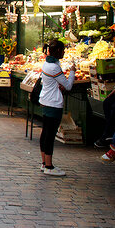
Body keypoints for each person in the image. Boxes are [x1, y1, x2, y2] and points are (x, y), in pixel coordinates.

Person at [38, 38, 75, 176]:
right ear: (58, 51)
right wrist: (72, 72)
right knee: (50, 134)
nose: (64, 52)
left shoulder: (47, 64)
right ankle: (49, 166)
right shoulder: (54, 67)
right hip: (54, 103)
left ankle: (44, 163)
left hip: (46, 100)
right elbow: (68, 85)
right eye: (63, 50)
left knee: (45, 132)